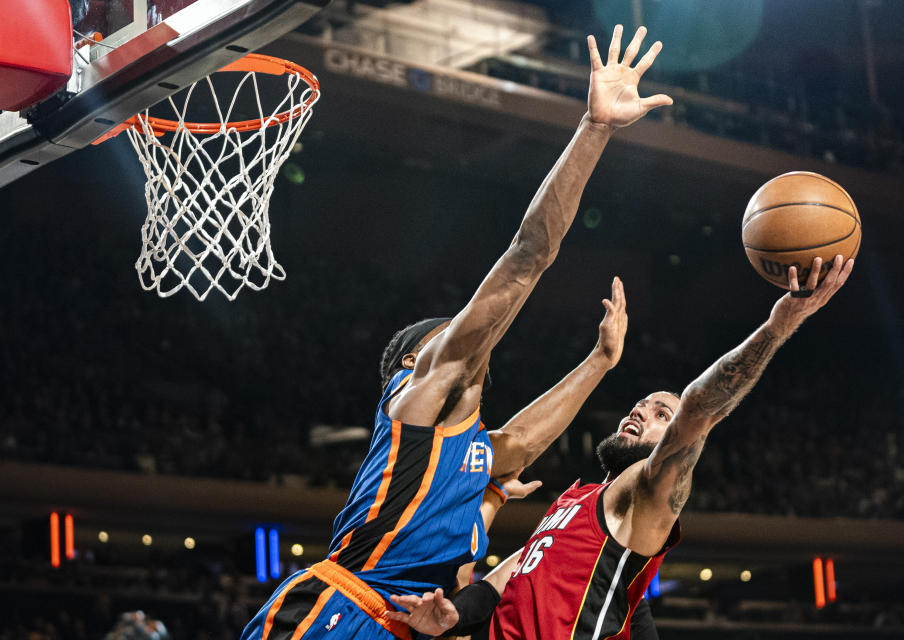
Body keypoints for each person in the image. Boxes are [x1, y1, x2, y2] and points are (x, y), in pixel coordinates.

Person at [240, 22, 671, 640]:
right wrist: (594, 129)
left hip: (405, 626)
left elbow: (520, 442)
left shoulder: (466, 448)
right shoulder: (421, 395)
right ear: (417, 359)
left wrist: (601, 361)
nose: (474, 340)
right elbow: (527, 255)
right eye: (454, 334)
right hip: (341, 612)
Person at [387, 255, 855, 639]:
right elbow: (512, 574)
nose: (640, 413)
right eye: (640, 405)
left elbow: (700, 409)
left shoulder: (647, 496)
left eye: (659, 415)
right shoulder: (575, 496)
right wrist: (456, 613)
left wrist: (778, 326)